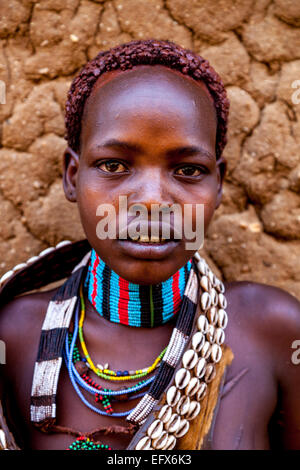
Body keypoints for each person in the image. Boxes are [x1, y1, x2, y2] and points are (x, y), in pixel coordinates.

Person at [0, 39, 299, 451]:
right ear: (72, 176)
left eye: (189, 170)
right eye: (114, 166)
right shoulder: (13, 337)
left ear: (219, 184)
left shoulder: (274, 331)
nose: (152, 201)